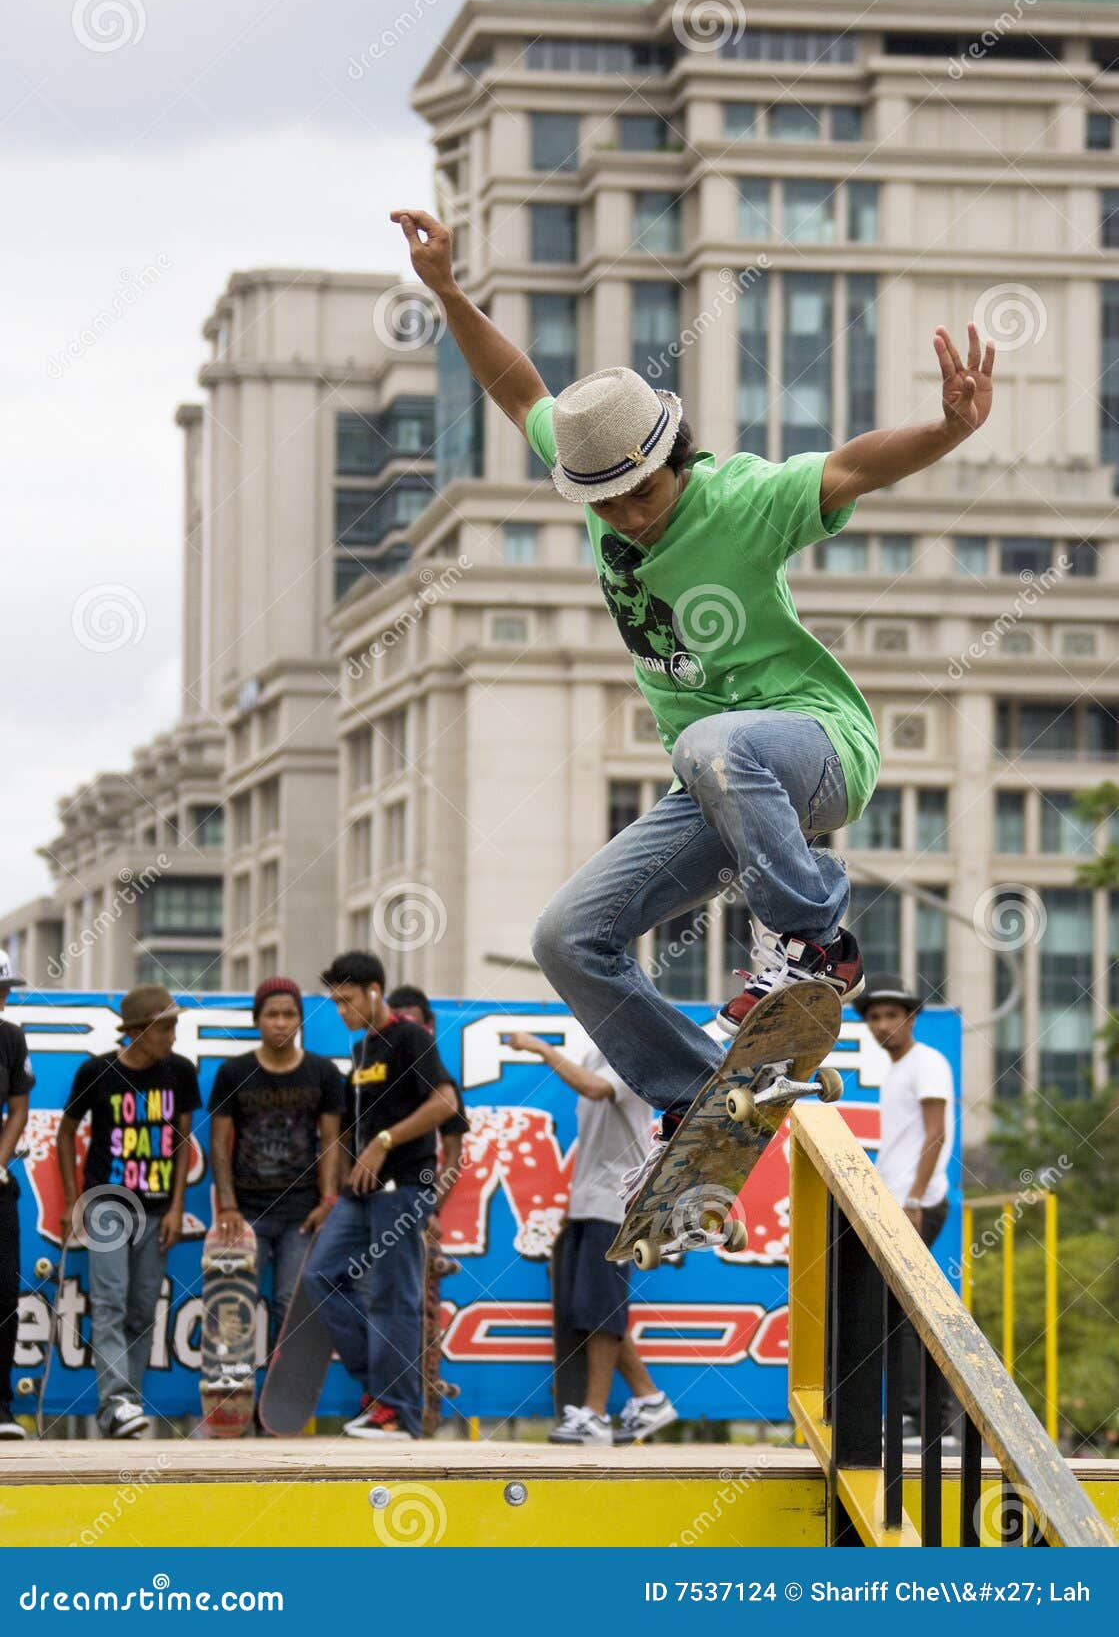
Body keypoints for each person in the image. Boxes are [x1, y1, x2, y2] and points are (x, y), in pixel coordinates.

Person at [392, 206, 995, 1207]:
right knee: (564, 937)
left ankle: (814, 941)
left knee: (715, 739)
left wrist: (947, 428)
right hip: (720, 794)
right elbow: (522, 392)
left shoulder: (741, 498)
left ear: (677, 457)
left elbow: (849, 466)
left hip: (815, 747)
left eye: (643, 494)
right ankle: (699, 1089)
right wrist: (451, 291)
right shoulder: (593, 483)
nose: (629, 516)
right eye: (608, 504)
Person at [306, 952, 457, 1438]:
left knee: (395, 1298)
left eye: (347, 1000)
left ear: (374, 991)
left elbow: (445, 1104)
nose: (341, 1012)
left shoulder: (411, 1038)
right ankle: (380, 1386)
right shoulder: (361, 1053)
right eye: (334, 1003)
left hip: (404, 1186)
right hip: (359, 1193)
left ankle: (398, 1412)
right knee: (322, 1276)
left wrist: (384, 1141)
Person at [505, 1030, 678, 1445]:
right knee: (590, 1308)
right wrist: (570, 1214)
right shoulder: (597, 1054)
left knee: (600, 1311)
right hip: (587, 1206)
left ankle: (596, 1415)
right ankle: (648, 1398)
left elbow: (596, 1089)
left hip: (615, 1205)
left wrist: (541, 1048)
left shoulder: (637, 1057)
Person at [57, 985, 200, 1439]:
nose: (174, 1036)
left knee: (141, 1308)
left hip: (158, 1209)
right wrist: (72, 1198)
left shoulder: (180, 1072)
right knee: (110, 1300)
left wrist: (178, 1205)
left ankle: (125, 1409)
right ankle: (115, 1400)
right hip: (107, 1204)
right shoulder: (95, 1073)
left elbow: (181, 1143)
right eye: (166, 1027)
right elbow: (66, 1133)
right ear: (138, 1032)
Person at [208, 978, 344, 1341]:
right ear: (257, 1020)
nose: (281, 1022)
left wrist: (329, 1200)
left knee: (291, 1304)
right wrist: (228, 1205)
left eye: (289, 1014)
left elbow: (332, 1142)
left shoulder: (323, 1073)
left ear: (300, 1019)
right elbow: (219, 1143)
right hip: (245, 1213)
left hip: (301, 1212)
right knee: (234, 1304)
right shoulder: (233, 1073)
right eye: (272, 1015)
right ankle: (233, 1391)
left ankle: (279, 1397)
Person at [856, 973, 956, 1442]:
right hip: (897, 1202)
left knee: (907, 1311)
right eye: (874, 1017)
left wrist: (914, 1198)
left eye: (892, 1015)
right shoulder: (897, 1069)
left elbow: (935, 1134)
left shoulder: (927, 1062)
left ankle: (927, 1420)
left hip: (919, 1202)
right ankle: (916, 1418)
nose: (882, 1025)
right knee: (898, 1311)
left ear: (912, 1017)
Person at [386, 983, 469, 1212]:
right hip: (366, 1198)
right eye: (398, 1025)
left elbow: (453, 1155)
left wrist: (431, 1210)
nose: (406, 1034)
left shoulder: (441, 1084)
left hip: (412, 1197)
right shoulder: (368, 1072)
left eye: (412, 1025)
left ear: (429, 1025)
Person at [0, 950, 33, 1441]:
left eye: (4, 991)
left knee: (4, 1294)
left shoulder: (9, 1036)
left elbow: (18, 1110)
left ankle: (0, 1404)